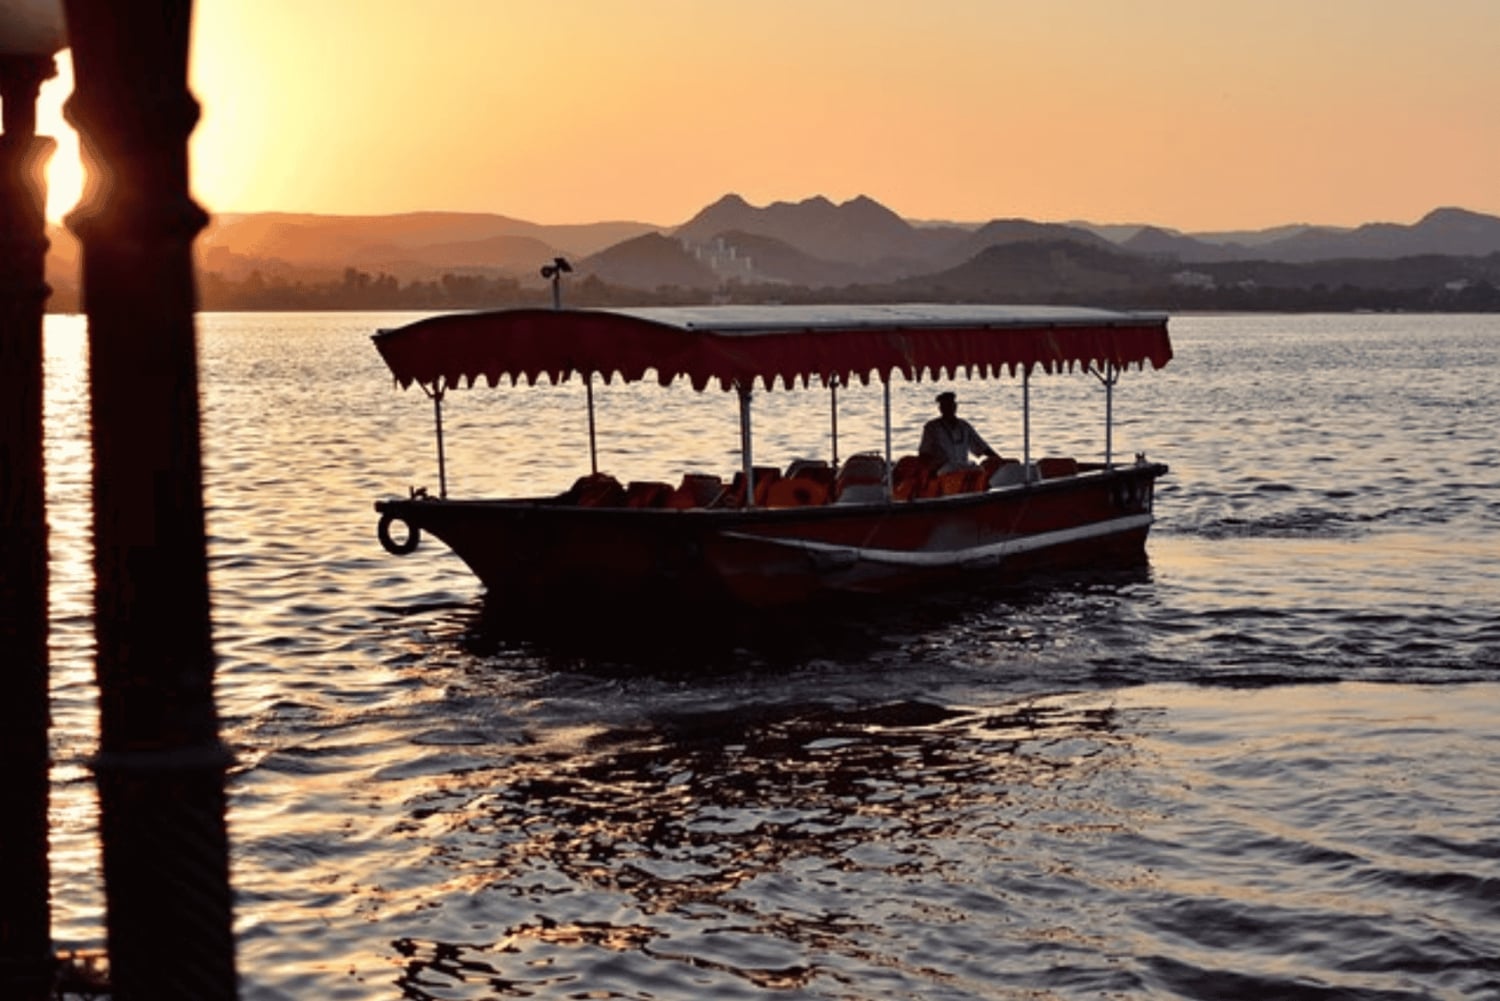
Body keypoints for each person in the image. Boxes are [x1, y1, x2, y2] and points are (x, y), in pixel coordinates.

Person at [919, 391, 998, 475]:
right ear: (940, 409)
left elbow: (982, 446)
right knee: (951, 469)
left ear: (955, 406)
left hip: (963, 466)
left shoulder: (964, 426)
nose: (947, 408)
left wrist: (999, 459)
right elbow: (924, 453)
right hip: (943, 469)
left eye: (950, 405)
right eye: (944, 406)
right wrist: (929, 471)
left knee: (980, 471)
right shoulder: (932, 427)